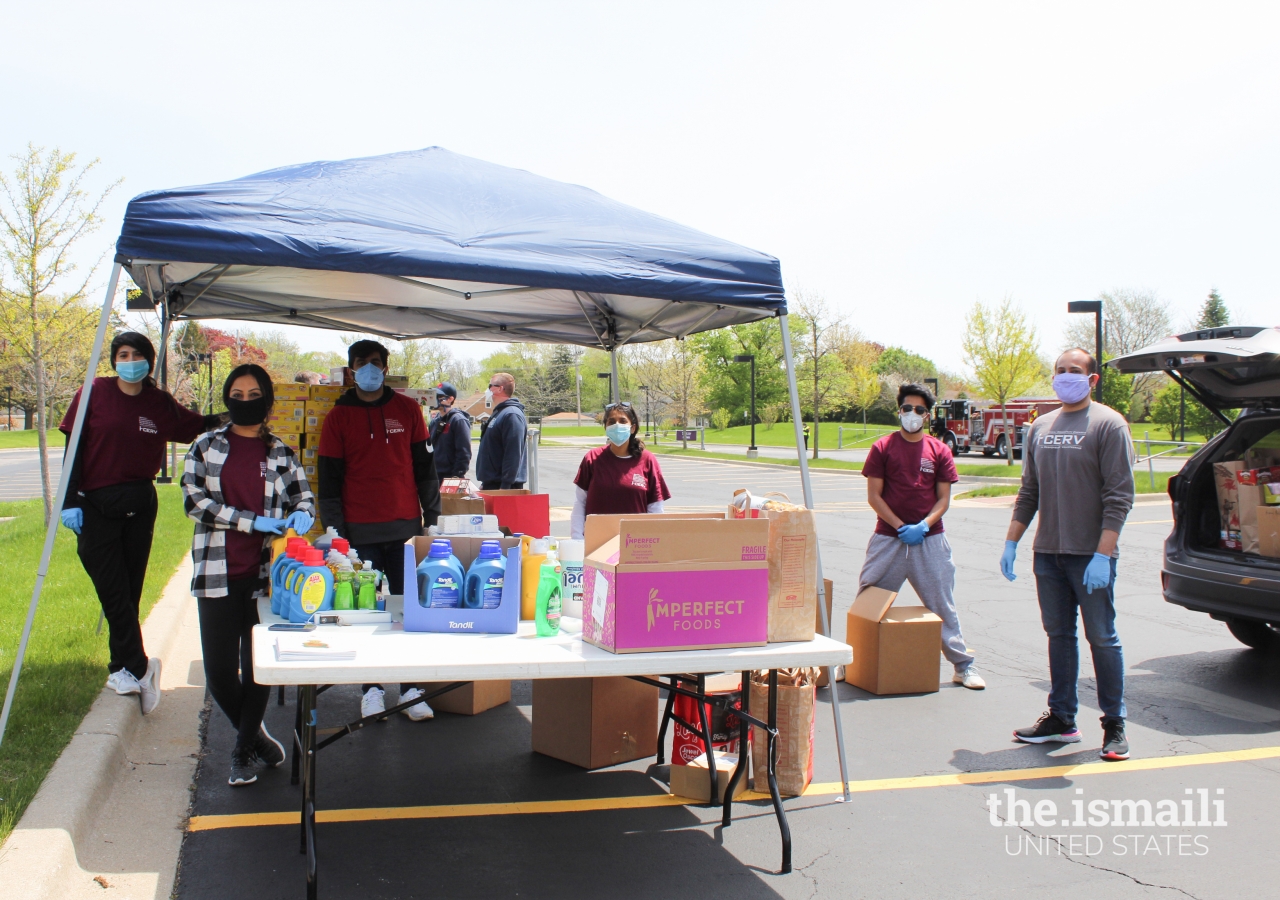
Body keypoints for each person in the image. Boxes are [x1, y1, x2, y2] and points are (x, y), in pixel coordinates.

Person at [58, 332, 216, 715]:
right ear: (114, 360)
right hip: (94, 505)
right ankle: (144, 667)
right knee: (112, 590)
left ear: (150, 360)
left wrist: (244, 412)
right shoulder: (93, 392)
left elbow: (196, 425)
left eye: (138, 355)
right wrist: (69, 498)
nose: (130, 361)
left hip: (139, 504)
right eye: (123, 354)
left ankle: (122, 668)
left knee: (128, 590)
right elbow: (73, 446)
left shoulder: (158, 402)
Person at [1000, 348, 1135, 761]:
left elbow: (1120, 496)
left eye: (1074, 371)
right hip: (1050, 555)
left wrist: (1103, 554)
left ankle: (1114, 723)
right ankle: (1062, 719)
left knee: (1102, 638)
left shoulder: (1109, 425)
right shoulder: (1040, 427)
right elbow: (1029, 492)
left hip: (1090, 555)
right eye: (1059, 371)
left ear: (1092, 380)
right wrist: (1012, 541)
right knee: (1059, 637)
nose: (1065, 377)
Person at [183, 365, 315, 786]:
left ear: (267, 399)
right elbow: (194, 502)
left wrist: (302, 513)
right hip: (217, 571)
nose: (244, 400)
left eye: (253, 393)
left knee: (257, 664)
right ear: (226, 397)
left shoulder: (280, 451)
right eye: (236, 393)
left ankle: (240, 753)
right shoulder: (204, 447)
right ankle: (255, 733)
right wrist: (248, 521)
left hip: (266, 575)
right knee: (219, 673)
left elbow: (304, 496)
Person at [317, 340, 441, 721]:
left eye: (375, 363)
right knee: (367, 613)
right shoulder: (338, 418)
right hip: (358, 534)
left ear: (385, 369)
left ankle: (410, 690)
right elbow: (329, 479)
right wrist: (335, 529)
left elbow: (424, 469)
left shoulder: (407, 410)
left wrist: (432, 518)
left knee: (407, 612)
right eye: (361, 363)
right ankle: (370, 689)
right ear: (351, 370)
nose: (369, 369)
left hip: (405, 527)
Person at [859, 383, 984, 690]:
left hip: (930, 540)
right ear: (898, 411)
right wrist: (900, 525)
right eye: (906, 409)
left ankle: (962, 666)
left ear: (927, 416)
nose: (911, 415)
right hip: (889, 538)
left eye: (918, 410)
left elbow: (943, 499)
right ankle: (856, 662)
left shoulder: (939, 450)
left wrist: (923, 526)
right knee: (869, 600)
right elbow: (874, 496)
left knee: (942, 603)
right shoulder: (883, 448)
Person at [570, 401, 671, 539]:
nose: (617, 425)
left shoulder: (648, 460)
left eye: (623, 421)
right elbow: (580, 502)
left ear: (633, 428)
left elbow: (655, 508)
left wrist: (654, 541)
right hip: (597, 542)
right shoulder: (592, 458)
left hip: (636, 544)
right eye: (611, 421)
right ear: (605, 426)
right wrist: (577, 538)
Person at [475, 372, 527, 490]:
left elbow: (513, 453)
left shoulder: (512, 414)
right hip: (492, 483)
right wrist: (485, 482)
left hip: (505, 486)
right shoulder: (499, 413)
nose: (487, 390)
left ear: (500, 389)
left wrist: (505, 486)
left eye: (490, 386)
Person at [429, 382, 472, 479]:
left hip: (449, 476)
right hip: (435, 475)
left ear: (450, 399)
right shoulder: (434, 421)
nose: (435, 399)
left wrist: (457, 476)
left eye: (439, 396)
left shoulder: (458, 420)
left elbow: (464, 452)